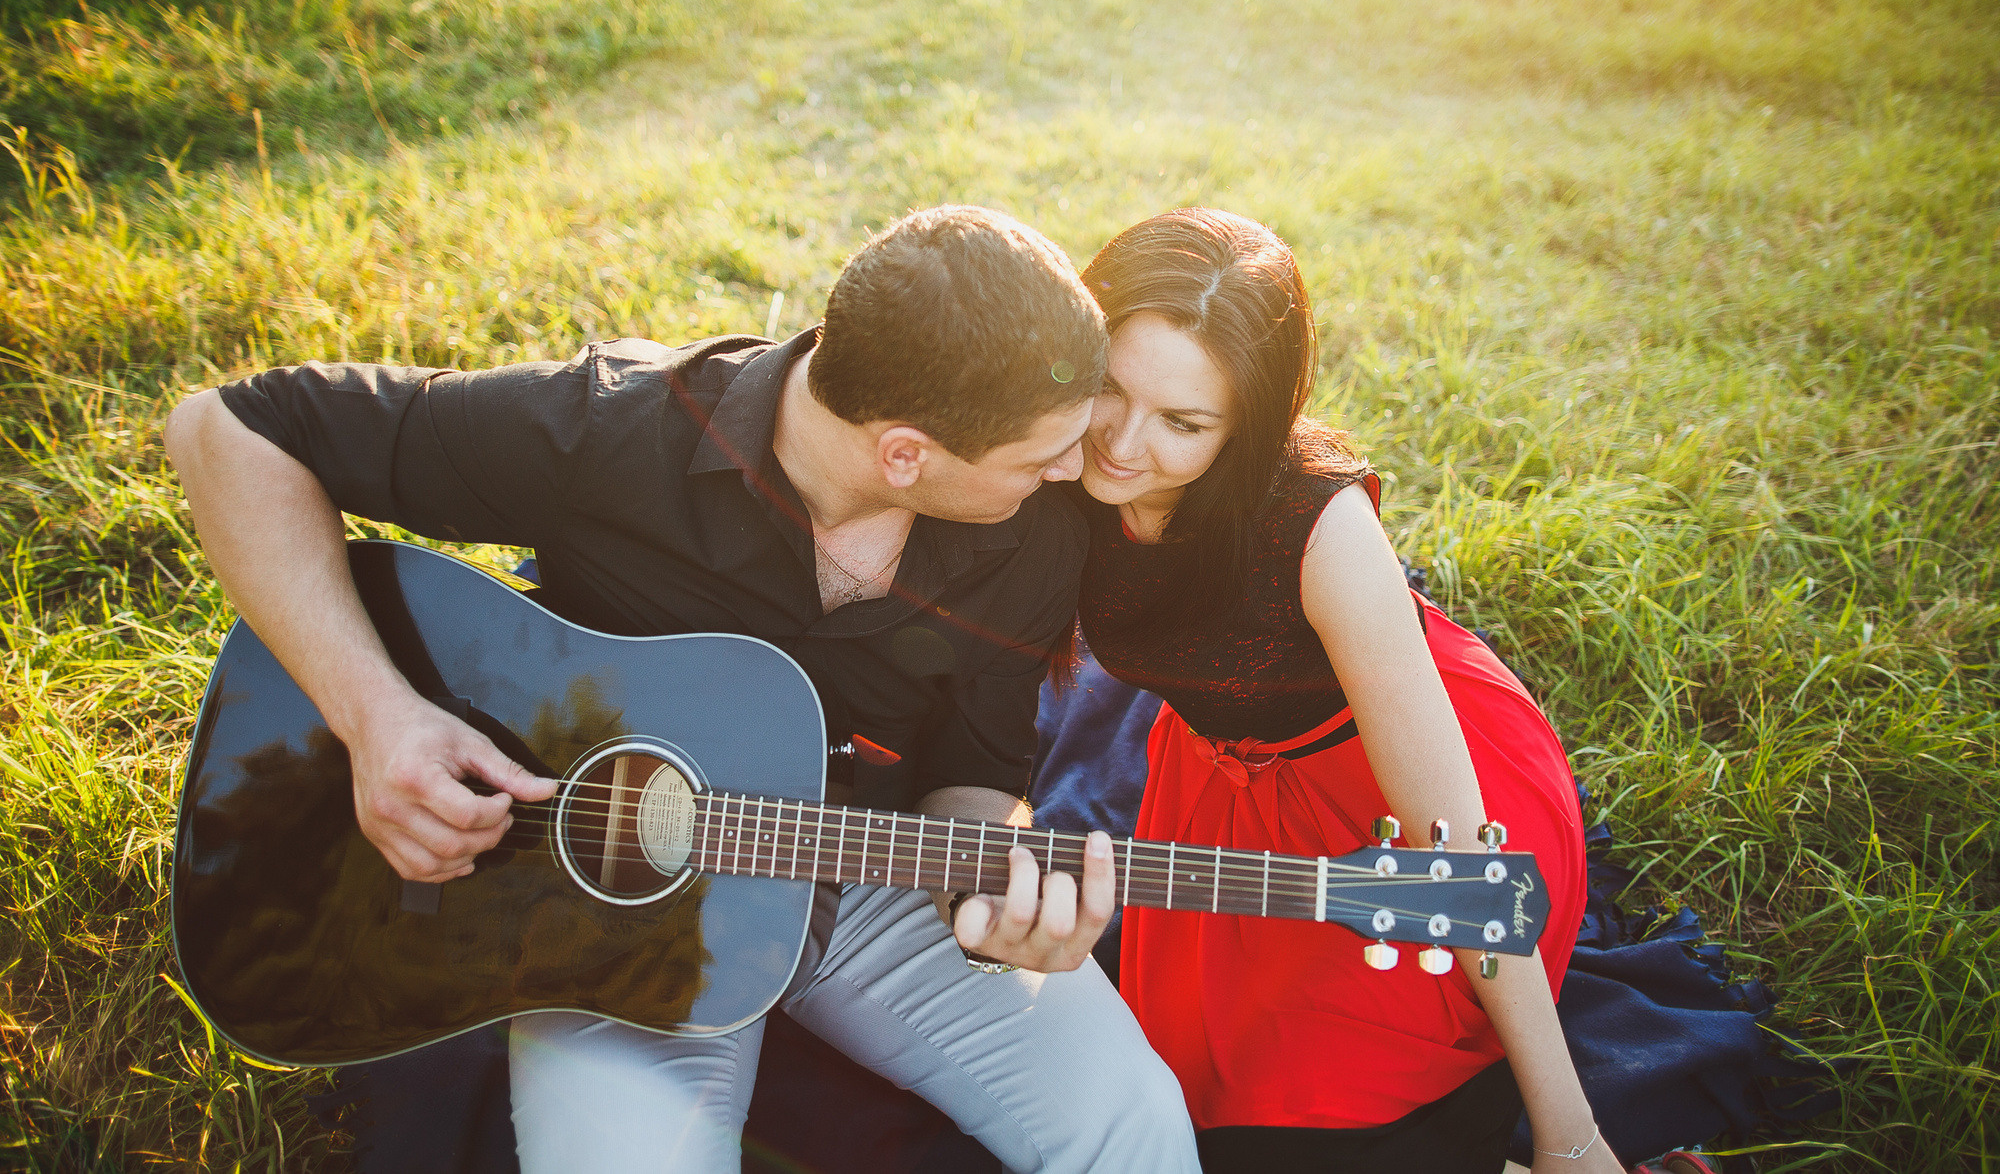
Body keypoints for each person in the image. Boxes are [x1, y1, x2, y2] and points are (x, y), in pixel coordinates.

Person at [163, 205, 1200, 1174]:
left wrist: (999, 891)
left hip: (871, 865)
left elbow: (978, 767)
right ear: (903, 456)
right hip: (602, 920)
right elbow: (228, 430)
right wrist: (378, 719)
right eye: (1043, 450)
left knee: (1132, 1123)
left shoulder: (1033, 533)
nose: (1080, 467)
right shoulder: (609, 432)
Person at [1065, 207, 1613, 1174]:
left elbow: (1468, 868)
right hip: (1218, 796)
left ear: (1247, 428)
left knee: (1295, 1125)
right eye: (1110, 385)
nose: (1121, 442)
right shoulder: (1047, 450)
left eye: (1183, 423)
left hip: (1398, 800)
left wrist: (1571, 1137)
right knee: (1179, 1103)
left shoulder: (1317, 528)